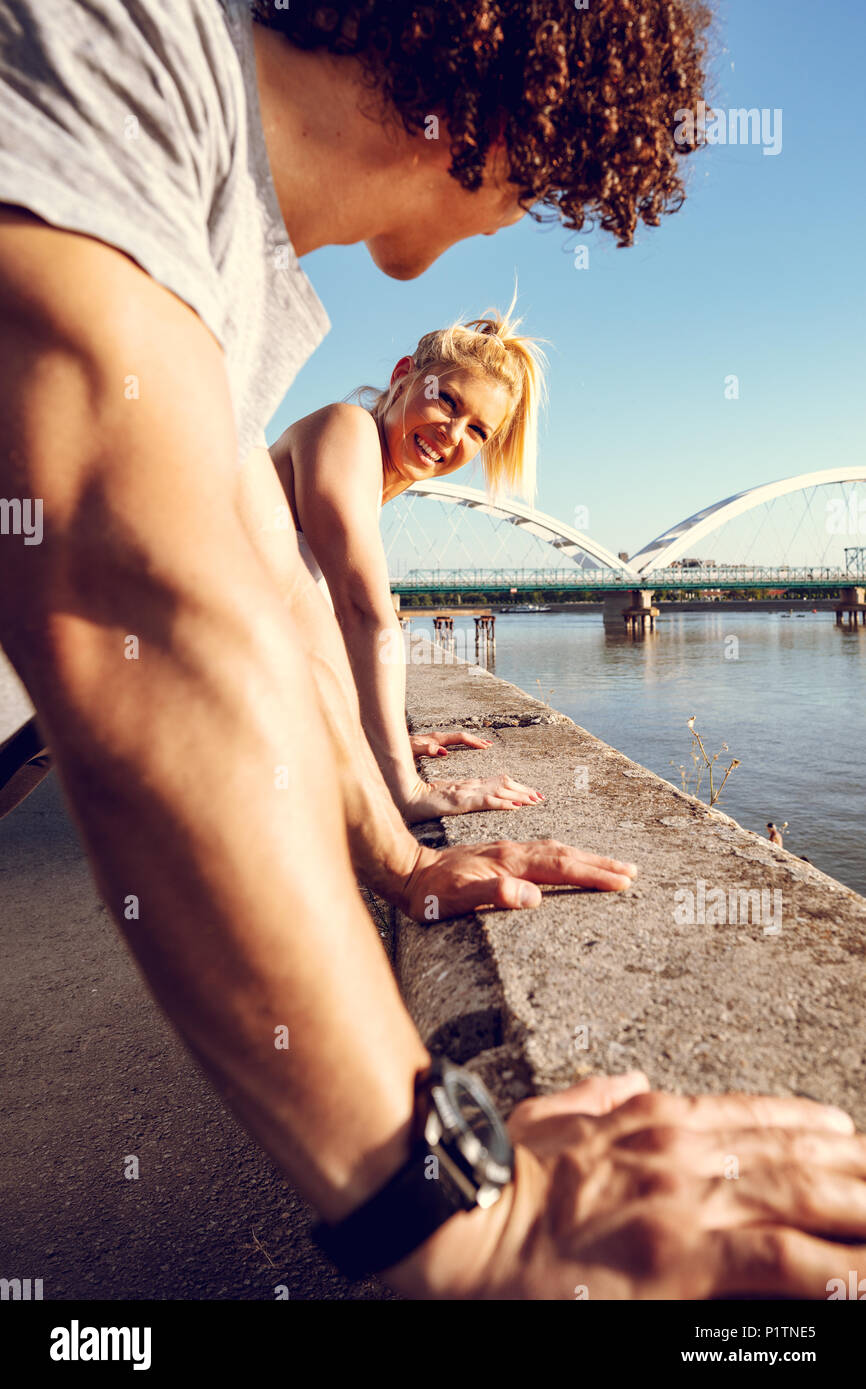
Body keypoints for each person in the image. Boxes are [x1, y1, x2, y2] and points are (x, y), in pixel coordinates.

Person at [2, 0, 863, 1301]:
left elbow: (272, 624)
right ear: (503, 124)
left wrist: (404, 856)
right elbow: (148, 611)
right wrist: (450, 1214)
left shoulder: (219, 293)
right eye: (553, 182)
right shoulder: (123, 50)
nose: (528, 217)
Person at [259, 304, 550, 820]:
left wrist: (380, 737)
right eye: (447, 401)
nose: (453, 434)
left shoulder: (367, 477)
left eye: (478, 431)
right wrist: (404, 787)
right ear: (402, 378)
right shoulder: (346, 428)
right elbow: (363, 613)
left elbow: (316, 635)